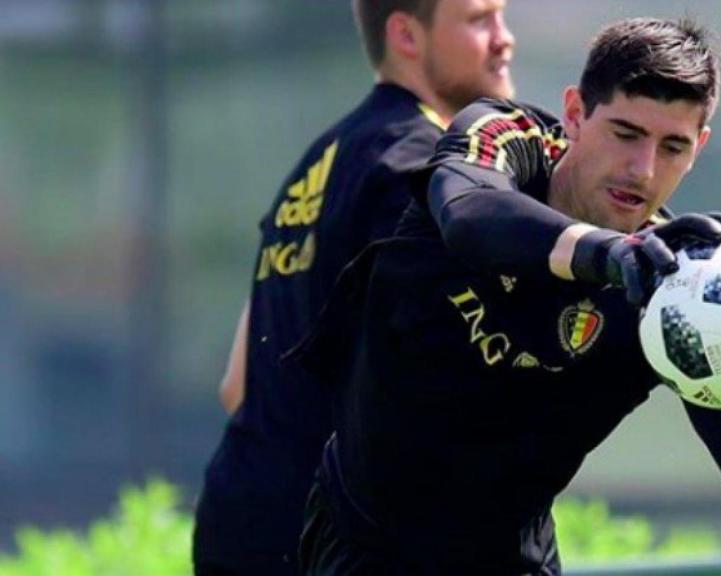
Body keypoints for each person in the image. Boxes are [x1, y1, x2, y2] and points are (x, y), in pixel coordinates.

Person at [295, 16, 721, 575]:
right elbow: (467, 215)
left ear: (698, 148)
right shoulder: (508, 141)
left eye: (673, 146)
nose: (643, 169)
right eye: (626, 134)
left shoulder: (673, 288)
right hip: (368, 547)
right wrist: (604, 253)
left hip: (514, 562)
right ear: (576, 113)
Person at [193, 1, 516, 574]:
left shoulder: (316, 164)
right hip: (328, 545)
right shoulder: (419, 170)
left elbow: (236, 385)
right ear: (406, 35)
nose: (503, 39)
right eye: (478, 19)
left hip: (239, 525)